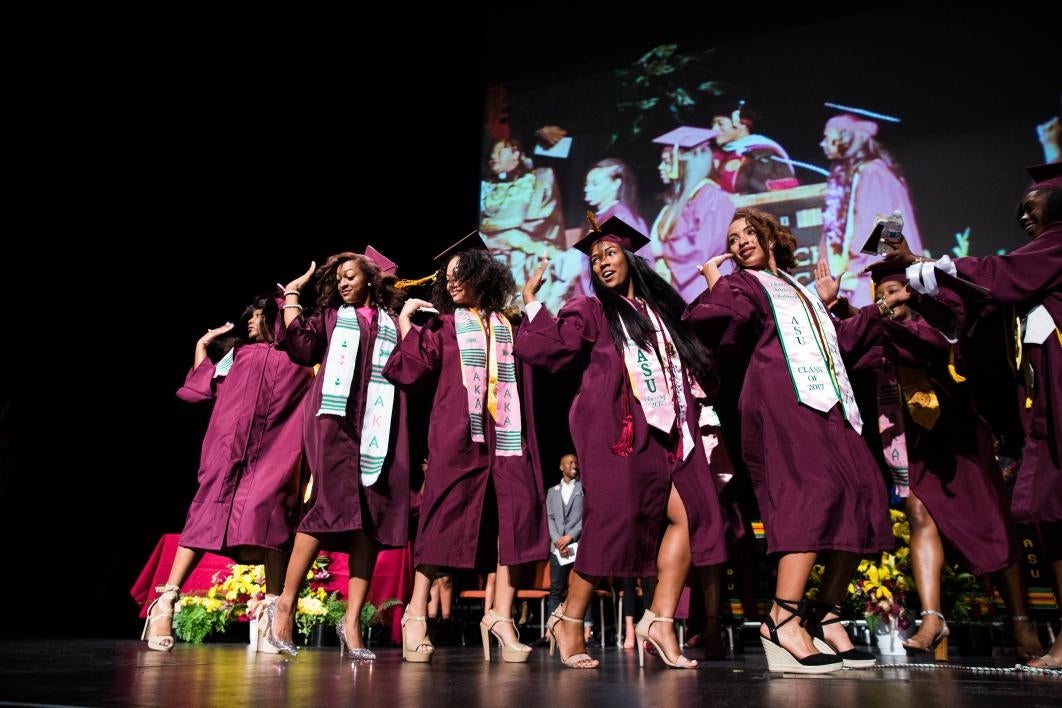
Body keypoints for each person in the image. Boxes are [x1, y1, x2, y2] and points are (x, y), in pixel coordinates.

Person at [684, 206, 893, 673]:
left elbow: (840, 344)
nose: (740, 242)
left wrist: (853, 307)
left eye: (749, 233)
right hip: (781, 405)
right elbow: (714, 319)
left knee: (865, 496)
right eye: (732, 237)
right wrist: (717, 282)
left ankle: (828, 614)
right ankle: (782, 617)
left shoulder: (799, 289)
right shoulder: (743, 285)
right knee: (809, 496)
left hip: (831, 409)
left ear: (771, 236)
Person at [516, 215, 729, 669]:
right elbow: (551, 346)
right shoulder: (591, 310)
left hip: (671, 433)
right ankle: (569, 619)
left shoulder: (663, 315)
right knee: (613, 520)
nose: (602, 263)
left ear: (630, 258)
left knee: (692, 515)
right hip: (617, 431)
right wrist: (533, 305)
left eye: (610, 253)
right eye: (595, 260)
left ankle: (661, 621)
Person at [818, 259, 1041, 658]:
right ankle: (933, 617)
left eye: (895, 292)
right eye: (881, 295)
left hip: (959, 442)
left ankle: (1020, 618)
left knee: (995, 524)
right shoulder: (882, 335)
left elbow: (931, 344)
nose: (888, 300)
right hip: (916, 445)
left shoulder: (940, 323)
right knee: (918, 511)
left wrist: (869, 314)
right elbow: (848, 348)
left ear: (913, 292)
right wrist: (835, 309)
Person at [885, 164, 1061, 668]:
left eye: (1035, 202)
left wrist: (922, 266)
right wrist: (918, 281)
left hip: (1006, 415)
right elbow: (978, 313)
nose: (1023, 211)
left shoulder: (1056, 245)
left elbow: (998, 278)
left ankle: (1035, 627)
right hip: (1038, 405)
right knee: (1053, 515)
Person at [384, 232, 549, 664]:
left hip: (509, 437)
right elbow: (406, 372)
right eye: (449, 276)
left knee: (515, 519)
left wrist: (530, 299)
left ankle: (501, 616)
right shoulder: (444, 325)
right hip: (458, 438)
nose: (453, 282)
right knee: (441, 518)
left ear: (484, 275)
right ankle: (415, 614)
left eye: (462, 273)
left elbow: (550, 355)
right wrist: (406, 325)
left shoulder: (510, 325)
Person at [141, 292, 312, 652]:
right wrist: (203, 344)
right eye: (248, 316)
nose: (249, 321)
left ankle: (272, 612)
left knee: (273, 520)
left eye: (257, 315)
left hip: (275, 453)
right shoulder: (236, 355)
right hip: (227, 450)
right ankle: (165, 603)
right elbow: (202, 389)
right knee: (205, 516)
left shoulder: (303, 361)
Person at [265, 247, 411, 659]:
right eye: (340, 277)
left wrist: (408, 323)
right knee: (326, 506)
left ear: (370, 279)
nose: (343, 282)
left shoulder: (389, 324)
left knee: (371, 517)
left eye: (351, 275)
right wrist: (292, 297)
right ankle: (284, 604)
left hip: (379, 425)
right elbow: (302, 347)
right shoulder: (330, 318)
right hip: (333, 425)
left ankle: (352, 622)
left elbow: (408, 369)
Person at [819, 112, 924, 308]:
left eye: (827, 136)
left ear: (847, 138)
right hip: (857, 278)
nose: (822, 143)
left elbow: (880, 228)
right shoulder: (851, 177)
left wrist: (854, 271)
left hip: (870, 279)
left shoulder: (872, 173)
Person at [479, 137, 570, 311]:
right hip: (493, 263)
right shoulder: (487, 187)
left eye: (499, 151)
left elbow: (543, 219)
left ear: (516, 153)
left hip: (526, 259)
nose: (493, 157)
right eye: (491, 153)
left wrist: (508, 236)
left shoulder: (538, 180)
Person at [648, 126, 736, 302]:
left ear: (686, 163)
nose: (660, 167)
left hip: (705, 292)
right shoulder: (677, 204)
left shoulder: (713, 198)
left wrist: (662, 249)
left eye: (666, 161)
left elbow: (701, 250)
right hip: (680, 294)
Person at [709, 101, 798, 194]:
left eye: (720, 124)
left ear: (741, 124)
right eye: (713, 124)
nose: (714, 130)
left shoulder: (762, 154)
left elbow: (772, 196)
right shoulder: (712, 156)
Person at [545, 453, 584, 618]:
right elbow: (550, 517)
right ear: (562, 467)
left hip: (578, 545)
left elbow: (586, 516)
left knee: (581, 589)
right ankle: (551, 631)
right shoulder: (552, 491)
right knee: (556, 589)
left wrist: (570, 536)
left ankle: (586, 632)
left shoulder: (584, 488)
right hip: (558, 548)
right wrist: (557, 540)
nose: (574, 465)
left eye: (575, 462)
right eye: (570, 462)